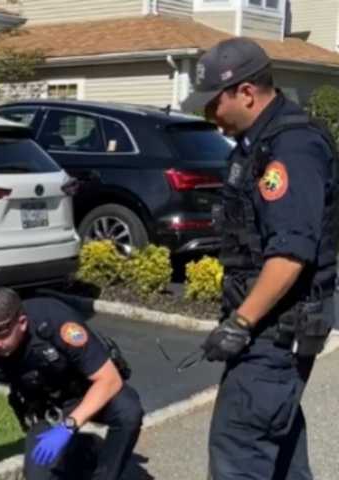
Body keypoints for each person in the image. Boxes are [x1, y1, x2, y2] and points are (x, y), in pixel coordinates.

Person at [181, 37, 338, 480]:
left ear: (246, 92)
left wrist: (240, 323)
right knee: (281, 452)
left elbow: (290, 253)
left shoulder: (290, 148)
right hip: (268, 329)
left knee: (238, 452)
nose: (208, 113)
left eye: (214, 102)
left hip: (275, 332)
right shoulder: (259, 143)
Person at [0, 287, 144, 480]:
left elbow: (109, 379)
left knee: (128, 411)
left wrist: (68, 428)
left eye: (1, 332)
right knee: (39, 475)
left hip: (87, 391)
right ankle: (83, 448)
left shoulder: (54, 320)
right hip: (48, 408)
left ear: (21, 323)